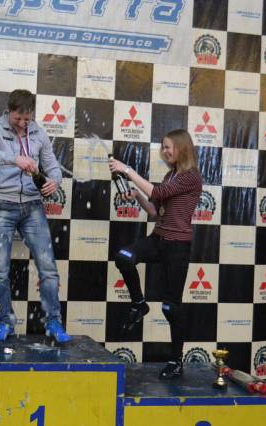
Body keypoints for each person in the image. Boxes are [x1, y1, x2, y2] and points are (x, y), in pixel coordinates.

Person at [0, 89, 71, 343]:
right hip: (1, 205)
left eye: (28, 119)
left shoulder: (39, 132)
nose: (23, 123)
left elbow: (52, 166)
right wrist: (13, 158)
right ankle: (5, 322)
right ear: (10, 110)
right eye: (18, 118)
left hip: (32, 206)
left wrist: (55, 181)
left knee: (48, 268)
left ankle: (54, 322)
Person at [108, 129, 202, 379]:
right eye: (163, 147)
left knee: (171, 307)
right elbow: (153, 209)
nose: (164, 151)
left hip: (177, 246)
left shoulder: (191, 176)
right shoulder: (171, 175)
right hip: (158, 240)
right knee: (124, 257)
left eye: (168, 146)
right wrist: (137, 195)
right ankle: (139, 304)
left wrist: (127, 170)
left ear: (182, 147)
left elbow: (158, 193)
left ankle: (176, 361)